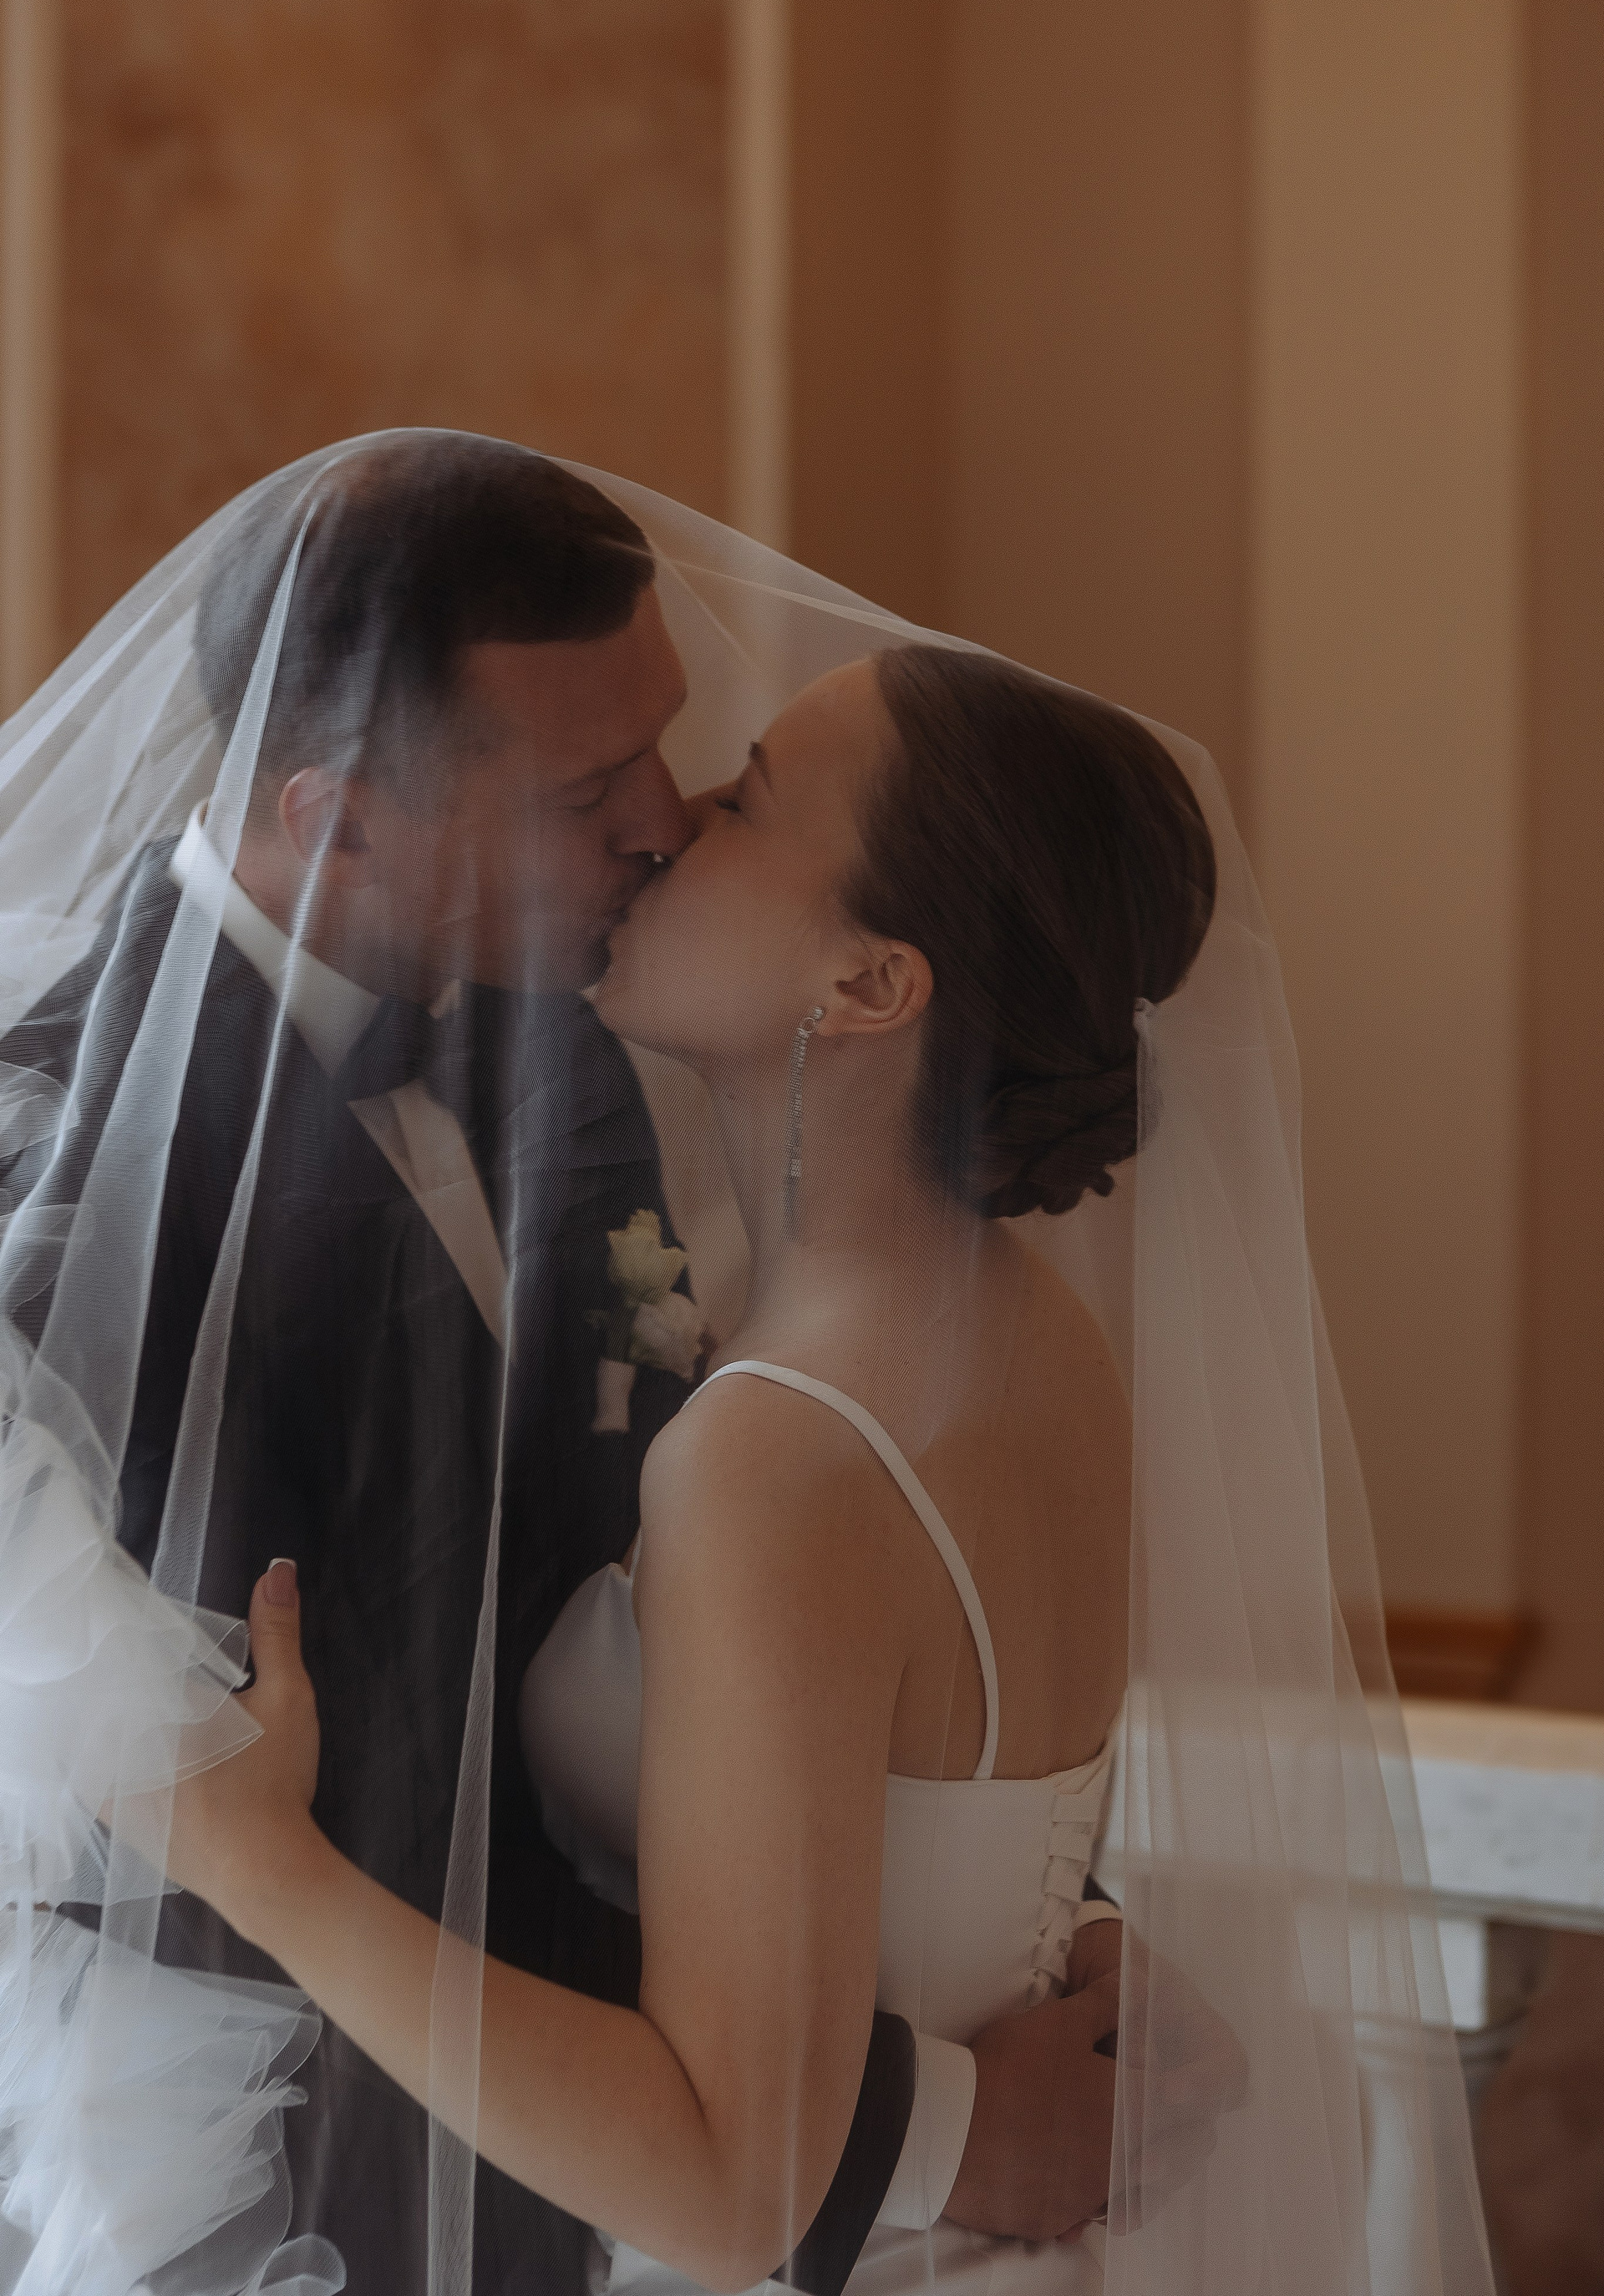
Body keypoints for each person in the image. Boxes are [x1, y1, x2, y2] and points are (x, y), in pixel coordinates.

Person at [0, 435, 1142, 2296]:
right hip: (318, 2209)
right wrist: (927, 2120)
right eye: (589, 785)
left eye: (671, 748)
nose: (666, 822)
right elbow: (211, 1872)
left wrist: (1012, 1908)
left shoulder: (591, 1017)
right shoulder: (56, 1183)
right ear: (338, 819)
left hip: (639, 2187)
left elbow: (802, 1629)